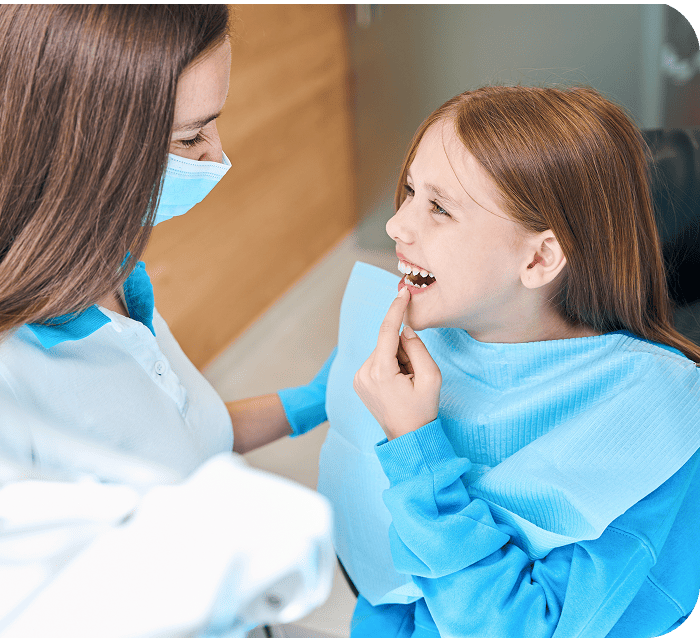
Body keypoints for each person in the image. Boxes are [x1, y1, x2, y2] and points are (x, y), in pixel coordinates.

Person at [230, 86, 700, 637]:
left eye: (439, 208)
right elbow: (312, 400)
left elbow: (522, 626)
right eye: (409, 191)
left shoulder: (656, 424)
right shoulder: (424, 324)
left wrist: (416, 445)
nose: (396, 226)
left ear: (539, 256)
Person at [0, 6, 335, 634]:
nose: (218, 159)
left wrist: (309, 403)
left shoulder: (111, 273)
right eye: (190, 139)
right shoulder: (12, 376)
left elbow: (174, 442)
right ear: (84, 149)